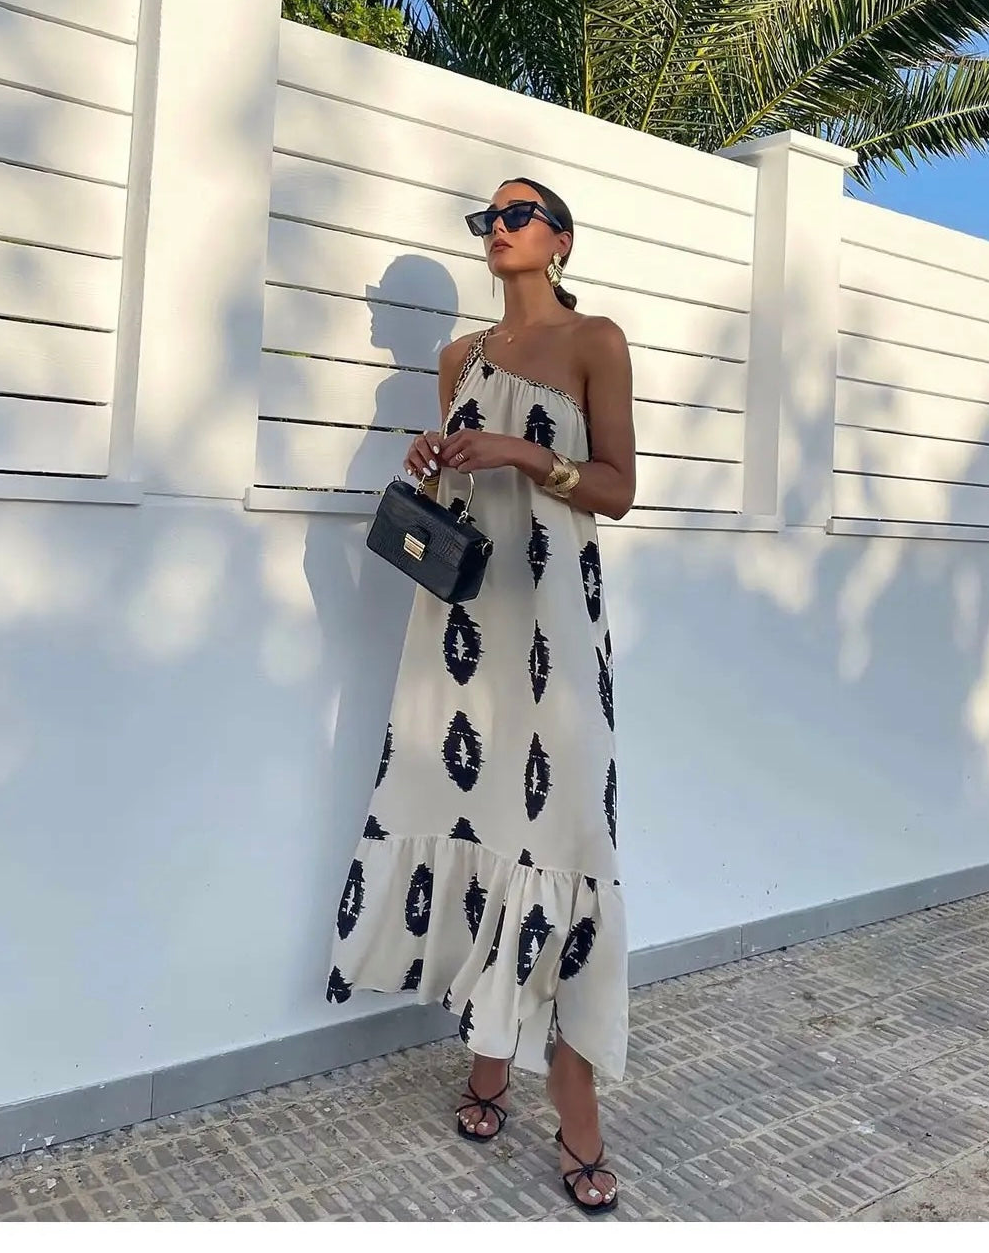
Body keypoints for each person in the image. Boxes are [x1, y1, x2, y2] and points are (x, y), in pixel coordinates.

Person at [327, 177, 636, 1213]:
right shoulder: (457, 359)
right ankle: (490, 1058)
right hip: (462, 632)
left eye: (515, 216)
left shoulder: (595, 340)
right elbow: (456, 497)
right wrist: (438, 459)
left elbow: (616, 489)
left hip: (555, 622)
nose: (496, 231)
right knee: (478, 817)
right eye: (486, 221)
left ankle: (575, 1104)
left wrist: (523, 452)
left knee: (569, 834)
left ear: (560, 237)